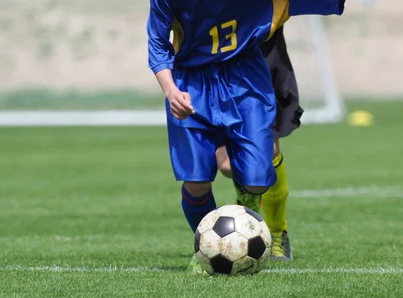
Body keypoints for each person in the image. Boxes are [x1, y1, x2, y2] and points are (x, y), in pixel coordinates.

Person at [147, 0, 345, 272]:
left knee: (256, 177)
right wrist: (170, 91)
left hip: (245, 76)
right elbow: (157, 43)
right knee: (195, 181)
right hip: (190, 80)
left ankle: (256, 226)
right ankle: (206, 249)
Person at [215, 26, 301, 261]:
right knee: (225, 164)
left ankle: (275, 232)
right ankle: (245, 227)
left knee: (268, 149)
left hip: (262, 51)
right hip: (218, 55)